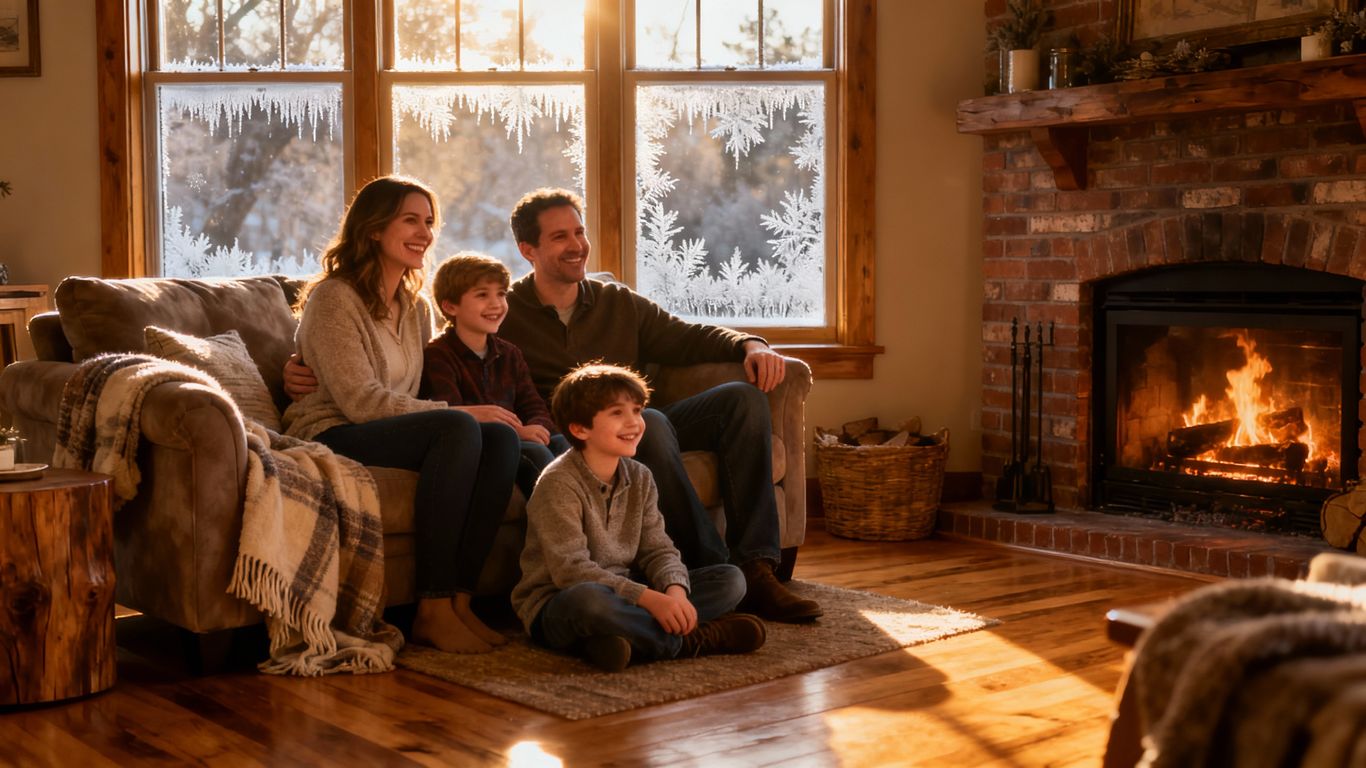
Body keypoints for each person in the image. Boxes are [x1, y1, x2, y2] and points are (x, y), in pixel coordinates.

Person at [500, 188, 822, 623]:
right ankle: (712, 568)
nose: (577, 245)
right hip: (576, 439)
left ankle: (756, 568)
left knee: (742, 399)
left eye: (579, 232)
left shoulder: (616, 302)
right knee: (648, 421)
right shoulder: (505, 312)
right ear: (528, 250)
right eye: (560, 237)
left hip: (639, 421)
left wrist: (750, 343)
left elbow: (687, 335)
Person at [283, 175, 520, 654]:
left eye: (429, 222)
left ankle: (460, 601)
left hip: (387, 429)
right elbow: (360, 401)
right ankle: (431, 608)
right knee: (459, 424)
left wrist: (484, 414)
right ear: (373, 228)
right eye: (410, 220)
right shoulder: (334, 298)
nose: (424, 233)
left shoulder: (415, 307)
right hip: (334, 430)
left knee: (501, 438)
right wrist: (461, 412)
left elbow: (416, 392)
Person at [512, 363, 766, 672]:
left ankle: (621, 639)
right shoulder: (558, 482)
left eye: (637, 410)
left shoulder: (640, 476)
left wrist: (674, 592)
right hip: (561, 600)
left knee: (731, 579)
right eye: (617, 413)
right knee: (591, 602)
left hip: (627, 591)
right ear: (580, 429)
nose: (634, 422)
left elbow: (658, 549)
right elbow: (571, 572)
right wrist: (651, 600)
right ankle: (691, 641)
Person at [420, 251, 569, 497]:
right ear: (450, 306)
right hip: (484, 446)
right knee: (538, 454)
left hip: (522, 439)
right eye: (482, 295)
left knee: (565, 445)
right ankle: (559, 517)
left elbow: (534, 405)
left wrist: (537, 428)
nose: (496, 304)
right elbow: (453, 416)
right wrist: (520, 434)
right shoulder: (438, 355)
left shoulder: (510, 354)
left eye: (501, 294)